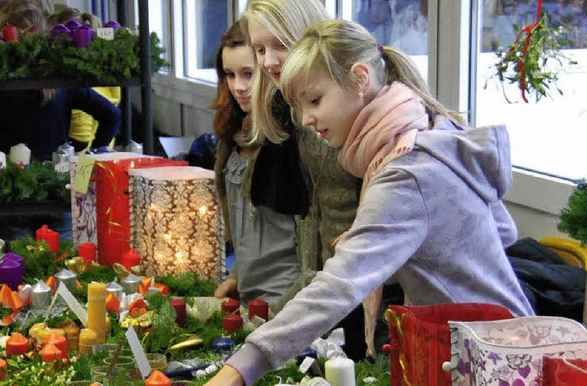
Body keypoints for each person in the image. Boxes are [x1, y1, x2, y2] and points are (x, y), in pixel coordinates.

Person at [204, 19, 534, 386]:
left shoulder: (405, 170)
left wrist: (241, 367)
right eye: (299, 106)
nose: (306, 118)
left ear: (360, 79)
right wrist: (390, 238)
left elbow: (340, 284)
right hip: (499, 346)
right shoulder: (423, 130)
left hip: (491, 363)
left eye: (314, 100)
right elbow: (502, 230)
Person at [237, 0, 373, 361]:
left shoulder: (340, 106)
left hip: (360, 287)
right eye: (260, 49)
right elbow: (310, 216)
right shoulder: (292, 108)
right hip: (325, 284)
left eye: (280, 45)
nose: (267, 61)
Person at [0, 0, 121, 161]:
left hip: (10, 179)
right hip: (57, 177)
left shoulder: (1, 82)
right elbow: (111, 114)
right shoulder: (59, 81)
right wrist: (96, 154)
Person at [210, 21, 301, 312]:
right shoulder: (232, 133)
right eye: (229, 75)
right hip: (249, 300)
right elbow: (246, 225)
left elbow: (314, 239)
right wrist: (236, 276)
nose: (238, 86)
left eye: (248, 74)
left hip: (291, 304)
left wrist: (287, 310)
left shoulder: (295, 133)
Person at [47, 7, 122, 153]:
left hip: (79, 160)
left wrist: (86, 160)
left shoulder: (75, 83)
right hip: (104, 152)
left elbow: (81, 138)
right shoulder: (102, 72)